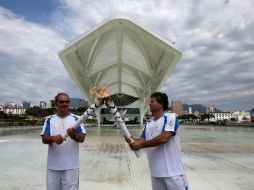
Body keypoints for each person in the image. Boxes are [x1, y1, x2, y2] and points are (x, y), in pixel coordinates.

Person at [126, 92, 188, 190]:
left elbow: (164, 137)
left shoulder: (170, 117)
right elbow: (141, 140)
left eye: (152, 101)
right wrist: (131, 140)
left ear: (161, 103)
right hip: (156, 174)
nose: (149, 104)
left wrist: (141, 145)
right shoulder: (149, 122)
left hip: (173, 173)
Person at [41, 92, 86, 190]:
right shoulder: (49, 120)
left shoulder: (77, 119)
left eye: (66, 102)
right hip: (53, 167)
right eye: (61, 102)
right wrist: (54, 139)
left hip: (71, 166)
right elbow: (44, 138)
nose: (64, 104)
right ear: (56, 104)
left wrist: (73, 135)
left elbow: (82, 138)